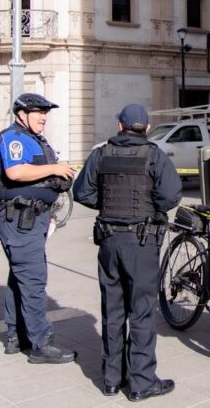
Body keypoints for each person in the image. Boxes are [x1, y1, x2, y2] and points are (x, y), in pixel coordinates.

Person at [73, 104, 181, 400]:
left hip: (109, 241)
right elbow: (171, 195)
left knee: (113, 309)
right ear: (145, 128)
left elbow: (81, 192)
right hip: (142, 242)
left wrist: (107, 207)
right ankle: (141, 383)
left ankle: (110, 379)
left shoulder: (101, 153)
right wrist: (148, 206)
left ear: (120, 125)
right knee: (142, 311)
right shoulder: (154, 155)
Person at [0, 93, 77, 364]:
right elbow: (15, 172)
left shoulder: (34, 139)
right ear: (21, 114)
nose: (43, 117)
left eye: (45, 113)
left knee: (20, 277)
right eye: (38, 112)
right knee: (34, 279)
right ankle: (41, 342)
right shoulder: (13, 138)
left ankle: (17, 336)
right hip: (20, 218)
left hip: (32, 217)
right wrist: (55, 168)